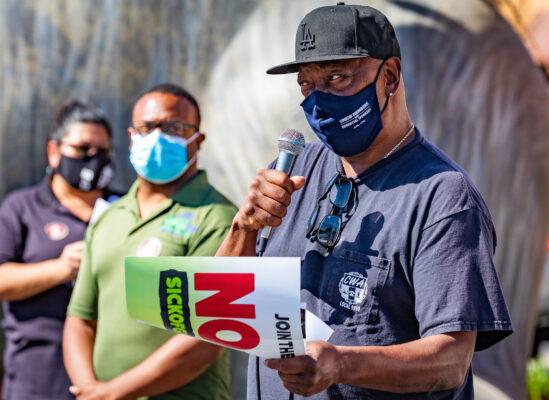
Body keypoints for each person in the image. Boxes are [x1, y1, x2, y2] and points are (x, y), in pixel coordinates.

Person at [216, 3, 513, 399]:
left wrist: (340, 363)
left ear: (389, 75)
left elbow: (451, 361)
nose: (319, 101)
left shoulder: (442, 196)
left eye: (338, 78)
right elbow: (222, 303)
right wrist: (244, 227)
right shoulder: (290, 173)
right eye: (307, 84)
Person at [64, 83, 236, 400]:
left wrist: (113, 393)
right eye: (147, 127)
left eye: (173, 127)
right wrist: (90, 389)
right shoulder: (109, 216)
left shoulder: (219, 218)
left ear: (197, 141)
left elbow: (207, 338)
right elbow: (80, 317)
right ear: (132, 136)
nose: (157, 136)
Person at [0, 100, 115, 400]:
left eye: (102, 152)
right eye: (82, 149)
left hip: (113, 378)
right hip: (37, 378)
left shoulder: (125, 208)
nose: (93, 159)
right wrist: (63, 268)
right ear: (54, 151)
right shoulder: (22, 207)